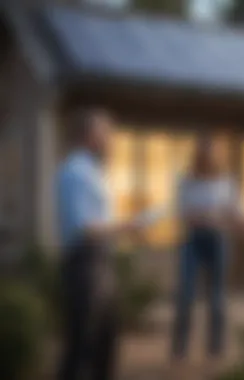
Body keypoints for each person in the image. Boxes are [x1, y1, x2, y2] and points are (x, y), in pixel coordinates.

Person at [56, 108, 140, 380]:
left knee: (105, 343)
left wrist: (122, 229)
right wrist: (125, 226)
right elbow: (86, 226)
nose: (111, 139)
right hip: (85, 265)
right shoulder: (77, 171)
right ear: (90, 135)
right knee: (82, 346)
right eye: (107, 132)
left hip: (101, 264)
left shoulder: (94, 171)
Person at [171, 136, 239, 377]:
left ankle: (215, 350)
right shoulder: (187, 181)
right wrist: (204, 216)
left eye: (211, 152)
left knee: (217, 296)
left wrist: (213, 217)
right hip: (193, 240)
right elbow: (182, 212)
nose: (207, 157)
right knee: (185, 294)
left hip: (218, 240)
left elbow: (232, 214)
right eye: (203, 152)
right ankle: (179, 350)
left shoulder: (227, 181)